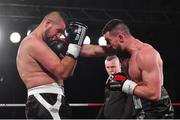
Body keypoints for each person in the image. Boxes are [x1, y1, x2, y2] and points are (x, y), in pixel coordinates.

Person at [80, 19, 174, 118]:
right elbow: (91, 51)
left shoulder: (146, 54)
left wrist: (125, 85)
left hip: (158, 110)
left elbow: (154, 94)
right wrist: (69, 44)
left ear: (120, 37)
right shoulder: (119, 50)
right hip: (139, 106)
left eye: (108, 41)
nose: (107, 45)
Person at [16, 11, 88, 119]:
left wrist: (111, 49)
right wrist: (75, 45)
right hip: (46, 100)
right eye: (58, 30)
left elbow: (70, 70)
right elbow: (63, 72)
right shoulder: (32, 42)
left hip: (49, 100)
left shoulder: (46, 44)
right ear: (47, 23)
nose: (59, 35)